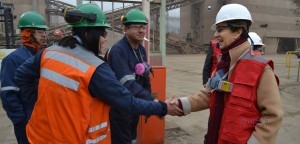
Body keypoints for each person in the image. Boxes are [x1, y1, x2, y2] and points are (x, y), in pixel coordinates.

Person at [14, 4, 173, 143]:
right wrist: (161, 107)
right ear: (89, 33)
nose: (105, 39)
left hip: (39, 136)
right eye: (103, 34)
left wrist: (36, 106)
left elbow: (21, 75)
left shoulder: (49, 52)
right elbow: (127, 101)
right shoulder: (95, 69)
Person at [168, 3, 283, 144]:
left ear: (238, 31)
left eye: (220, 29)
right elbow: (207, 96)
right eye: (217, 30)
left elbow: (272, 117)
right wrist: (179, 104)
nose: (216, 35)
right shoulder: (223, 65)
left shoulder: (261, 70)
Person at [105, 9, 154, 144]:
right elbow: (126, 82)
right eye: (137, 26)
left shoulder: (141, 49)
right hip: (120, 108)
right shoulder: (118, 50)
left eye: (143, 26)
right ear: (126, 28)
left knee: (132, 137)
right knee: (122, 139)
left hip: (135, 105)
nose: (141, 30)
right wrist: (150, 101)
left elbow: (145, 76)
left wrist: (147, 101)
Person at [0, 11, 48, 144]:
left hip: (46, 118)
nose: (44, 35)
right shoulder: (13, 59)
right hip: (27, 121)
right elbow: (8, 94)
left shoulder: (47, 55)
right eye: (39, 32)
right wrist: (22, 120)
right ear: (28, 33)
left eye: (44, 31)